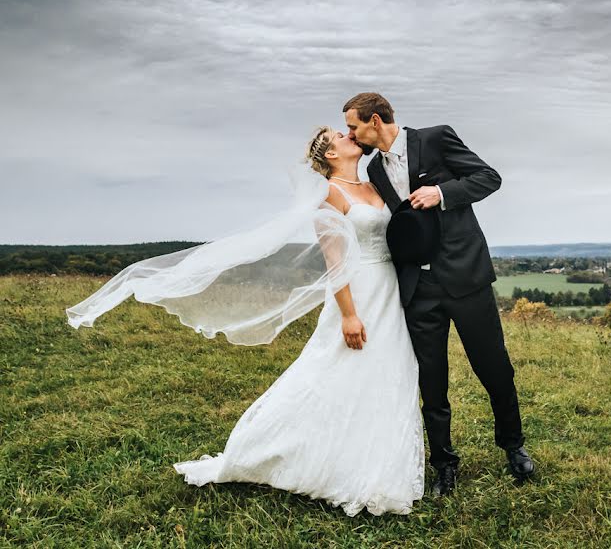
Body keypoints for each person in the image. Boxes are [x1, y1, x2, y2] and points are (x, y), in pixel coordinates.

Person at [66, 126, 424, 516]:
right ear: (331, 154)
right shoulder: (328, 196)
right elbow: (334, 261)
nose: (350, 135)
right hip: (357, 292)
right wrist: (349, 315)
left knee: (387, 370)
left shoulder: (375, 186)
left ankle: (375, 458)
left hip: (390, 288)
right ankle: (276, 450)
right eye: (341, 134)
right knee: (336, 368)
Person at [343, 92, 534, 497]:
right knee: (431, 383)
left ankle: (513, 446)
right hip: (418, 288)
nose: (351, 134)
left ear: (375, 121)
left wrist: (442, 194)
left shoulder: (435, 139)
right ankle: (444, 465)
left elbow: (488, 178)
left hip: (466, 278)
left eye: (353, 126)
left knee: (494, 367)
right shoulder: (374, 169)